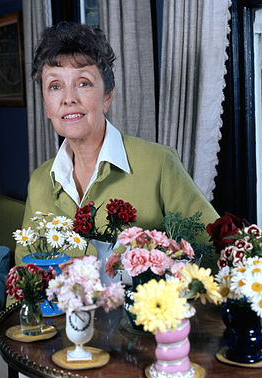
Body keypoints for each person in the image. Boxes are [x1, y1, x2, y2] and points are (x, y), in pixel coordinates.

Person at [15, 21, 218, 270]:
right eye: (55, 86)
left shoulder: (159, 164)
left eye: (83, 83)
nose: (68, 98)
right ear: (47, 106)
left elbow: (212, 252)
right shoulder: (39, 182)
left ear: (107, 96)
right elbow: (24, 280)